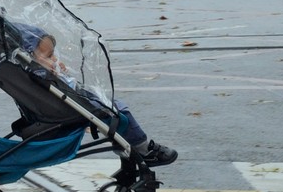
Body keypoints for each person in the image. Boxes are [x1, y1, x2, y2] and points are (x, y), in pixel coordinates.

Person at [26, 30, 177, 167]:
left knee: (112, 108)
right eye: (49, 56)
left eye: (53, 54)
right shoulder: (40, 76)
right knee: (119, 112)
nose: (55, 59)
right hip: (71, 109)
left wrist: (57, 72)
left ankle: (127, 149)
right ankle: (143, 149)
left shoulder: (33, 75)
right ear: (30, 58)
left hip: (71, 102)